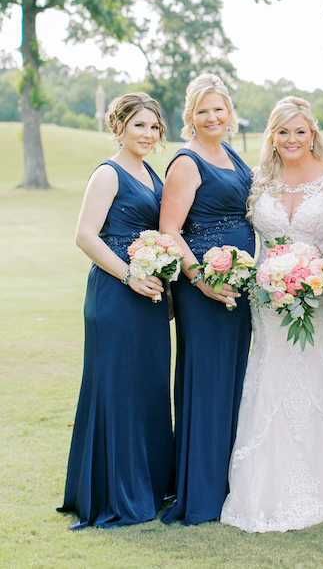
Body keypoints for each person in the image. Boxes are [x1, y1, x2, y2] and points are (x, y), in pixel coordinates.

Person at [220, 96, 323, 532]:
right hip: (267, 301)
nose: (292, 139)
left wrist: (322, 272)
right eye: (283, 131)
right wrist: (273, 274)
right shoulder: (259, 179)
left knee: (321, 374)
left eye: (300, 131)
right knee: (271, 377)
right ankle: (264, 487)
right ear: (272, 136)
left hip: (322, 302)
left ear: (313, 133)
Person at [58, 93, 173, 529]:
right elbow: (86, 236)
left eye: (153, 127)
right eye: (139, 125)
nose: (147, 134)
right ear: (120, 127)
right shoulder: (108, 173)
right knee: (118, 388)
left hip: (149, 297)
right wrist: (129, 276)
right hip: (116, 293)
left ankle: (148, 484)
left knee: (148, 388)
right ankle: (116, 492)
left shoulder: (151, 174)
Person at [159, 73, 255, 525]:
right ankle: (200, 490)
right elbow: (170, 230)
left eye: (219, 109)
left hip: (238, 285)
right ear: (190, 117)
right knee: (208, 380)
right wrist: (199, 278)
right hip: (204, 289)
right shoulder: (186, 161)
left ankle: (228, 481)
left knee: (235, 380)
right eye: (203, 111)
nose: (212, 117)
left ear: (229, 113)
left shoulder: (233, 155)